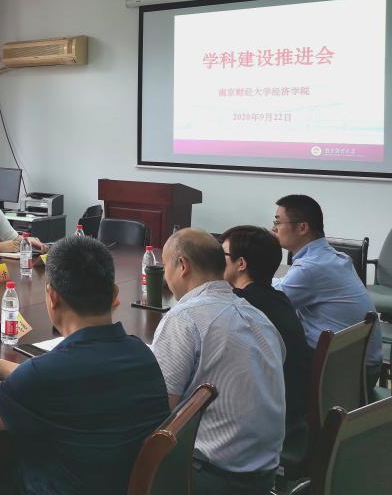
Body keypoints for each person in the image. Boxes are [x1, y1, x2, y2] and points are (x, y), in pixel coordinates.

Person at [0, 235, 170, 495]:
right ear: (114, 295)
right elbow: (73, 385)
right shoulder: (140, 354)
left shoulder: (47, 375)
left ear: (52, 297)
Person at [152, 229, 285, 495]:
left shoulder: (185, 318)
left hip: (209, 477)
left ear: (182, 266)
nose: (165, 277)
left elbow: (158, 412)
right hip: (264, 476)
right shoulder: (258, 318)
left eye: (166, 267)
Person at [271, 194, 382, 389]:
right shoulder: (332, 257)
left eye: (278, 222)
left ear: (302, 228)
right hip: (361, 363)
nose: (274, 229)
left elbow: (271, 300)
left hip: (348, 373)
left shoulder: (312, 267)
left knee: (265, 351)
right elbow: (281, 286)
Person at [221, 225, 310, 438]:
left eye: (222, 255)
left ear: (241, 264)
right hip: (294, 408)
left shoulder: (242, 308)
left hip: (270, 422)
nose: (217, 260)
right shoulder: (279, 299)